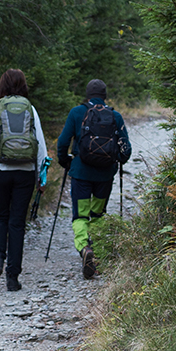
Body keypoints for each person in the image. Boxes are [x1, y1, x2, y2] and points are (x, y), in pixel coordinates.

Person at [0, 68, 50, 293]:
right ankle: (12, 278)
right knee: (17, 223)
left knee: (0, 217)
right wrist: (41, 177)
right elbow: (41, 146)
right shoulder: (30, 108)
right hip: (25, 172)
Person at [56, 78, 132, 279]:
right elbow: (126, 150)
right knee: (98, 214)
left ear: (87, 95)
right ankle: (96, 255)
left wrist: (65, 162)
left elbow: (63, 142)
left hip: (81, 173)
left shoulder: (77, 113)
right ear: (105, 96)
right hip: (105, 175)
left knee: (81, 215)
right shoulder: (115, 115)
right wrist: (118, 160)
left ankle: (84, 249)